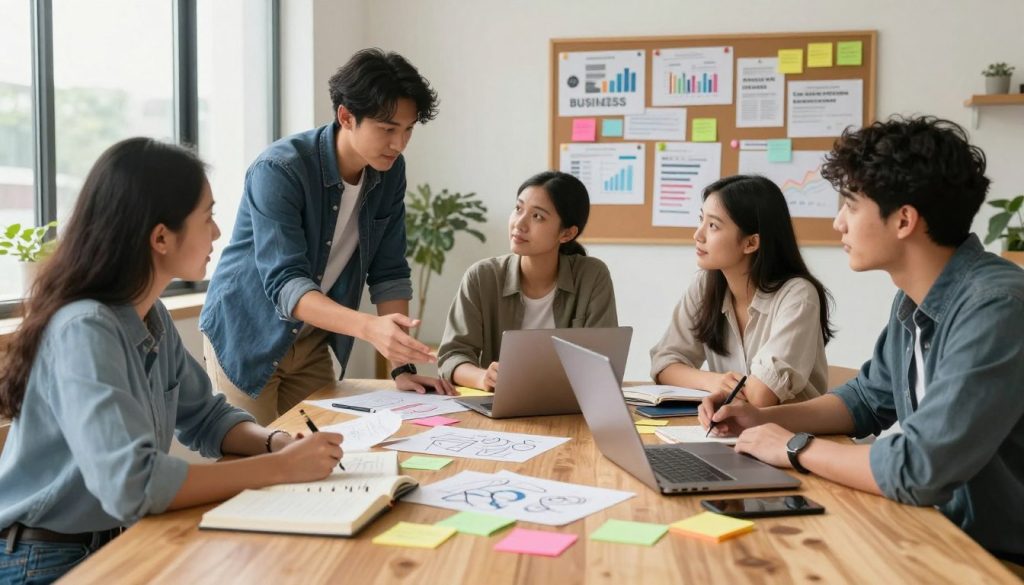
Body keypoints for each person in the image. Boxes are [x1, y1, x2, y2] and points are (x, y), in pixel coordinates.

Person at [0, 138, 343, 584]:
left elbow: (206, 416)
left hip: (116, 540)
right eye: (208, 217)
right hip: (43, 560)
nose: (217, 234)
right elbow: (133, 483)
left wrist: (273, 443)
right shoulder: (84, 329)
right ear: (161, 237)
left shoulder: (150, 315)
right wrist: (278, 469)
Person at [699, 116, 1024, 566]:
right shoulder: (913, 300)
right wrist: (761, 418)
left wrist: (795, 448)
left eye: (850, 206)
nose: (837, 223)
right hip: (939, 534)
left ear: (904, 221)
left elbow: (918, 467)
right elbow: (865, 402)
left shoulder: (997, 306)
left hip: (998, 559)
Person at [200, 48, 453, 426]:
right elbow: (286, 284)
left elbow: (389, 271)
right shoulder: (280, 169)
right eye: (387, 129)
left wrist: (401, 366)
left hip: (312, 341)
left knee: (324, 456)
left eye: (408, 129)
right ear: (346, 116)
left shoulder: (389, 171)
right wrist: (369, 328)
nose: (399, 144)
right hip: (246, 335)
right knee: (257, 465)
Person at [650, 175, 835, 406]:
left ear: (751, 243)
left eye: (713, 226)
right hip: (732, 430)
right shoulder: (705, 286)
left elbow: (761, 397)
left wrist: (715, 386)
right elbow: (663, 365)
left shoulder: (798, 295)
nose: (698, 235)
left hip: (793, 435)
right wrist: (713, 382)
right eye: (701, 220)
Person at [438, 171, 617, 391]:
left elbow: (602, 362)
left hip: (569, 409)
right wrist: (482, 377)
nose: (519, 224)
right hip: (499, 405)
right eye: (518, 209)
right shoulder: (482, 277)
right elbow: (452, 356)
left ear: (567, 234)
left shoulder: (592, 276)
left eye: (538, 216)